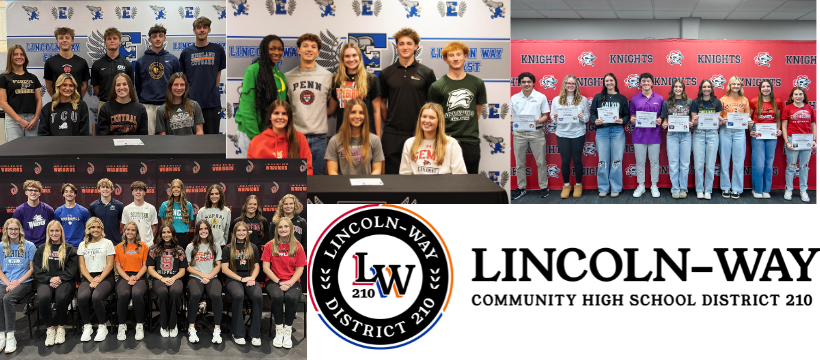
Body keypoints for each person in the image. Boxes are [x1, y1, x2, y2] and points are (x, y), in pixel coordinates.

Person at [379, 28, 436, 174]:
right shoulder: (386, 73)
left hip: (418, 133)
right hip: (392, 134)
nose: (405, 47)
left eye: (409, 43)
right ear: (396, 46)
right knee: (392, 179)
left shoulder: (427, 73)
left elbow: (433, 107)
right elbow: (381, 103)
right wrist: (391, 120)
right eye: (401, 44)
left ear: (416, 46)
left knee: (417, 178)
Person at [427, 41, 487, 174]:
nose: (455, 58)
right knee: (445, 183)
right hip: (445, 141)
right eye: (451, 55)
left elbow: (477, 111)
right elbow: (433, 115)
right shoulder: (436, 86)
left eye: (459, 54)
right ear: (445, 59)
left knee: (471, 183)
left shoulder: (477, 83)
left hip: (470, 141)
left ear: (465, 57)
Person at [286, 33, 333, 175]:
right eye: (305, 46)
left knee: (317, 183)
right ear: (298, 50)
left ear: (318, 52)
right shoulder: (287, 77)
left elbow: (331, 108)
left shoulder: (328, 76)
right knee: (293, 180)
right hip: (295, 137)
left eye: (313, 47)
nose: (309, 49)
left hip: (319, 139)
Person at [235, 35, 287, 155]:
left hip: (270, 134)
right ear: (264, 50)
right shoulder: (253, 70)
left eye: (280, 49)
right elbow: (247, 109)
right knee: (253, 172)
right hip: (252, 133)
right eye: (272, 49)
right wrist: (257, 138)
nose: (277, 52)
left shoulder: (280, 75)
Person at [262, 217, 306, 349]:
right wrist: (280, 281)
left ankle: (287, 330)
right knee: (278, 296)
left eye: (286, 227)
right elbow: (266, 268)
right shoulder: (270, 245)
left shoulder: (297, 246)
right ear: (276, 229)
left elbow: (300, 269)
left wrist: (290, 282)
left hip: (292, 281)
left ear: (291, 229)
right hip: (274, 281)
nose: (283, 229)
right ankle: (279, 329)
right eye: (280, 227)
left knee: (291, 297)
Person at [33, 221, 78, 347]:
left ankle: (61, 328)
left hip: (65, 281)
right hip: (46, 280)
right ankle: (50, 330)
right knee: (43, 297)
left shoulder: (69, 249)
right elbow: (37, 269)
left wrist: (59, 278)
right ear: (48, 233)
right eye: (51, 231)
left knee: (61, 297)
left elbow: (72, 270)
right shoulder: (41, 249)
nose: (54, 233)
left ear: (61, 232)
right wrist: (49, 279)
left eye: (57, 231)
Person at [179, 17, 226, 135]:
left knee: (211, 140)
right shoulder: (186, 52)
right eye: (198, 27)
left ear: (209, 30)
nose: (202, 30)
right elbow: (183, 78)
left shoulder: (218, 50)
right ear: (194, 30)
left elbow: (218, 75)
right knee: (192, 141)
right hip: (191, 103)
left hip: (212, 103)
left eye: (205, 27)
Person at [222, 221, 263, 346]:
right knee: (239, 296)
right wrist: (240, 279)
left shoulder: (253, 247)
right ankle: (238, 333)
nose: (241, 233)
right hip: (234, 278)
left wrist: (252, 278)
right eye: (238, 231)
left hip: (249, 277)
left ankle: (255, 334)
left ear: (247, 232)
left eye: (243, 230)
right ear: (234, 233)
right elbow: (224, 269)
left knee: (258, 297)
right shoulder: (228, 248)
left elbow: (257, 267)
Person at [135, 24, 182, 135]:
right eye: (154, 36)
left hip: (167, 104)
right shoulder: (141, 61)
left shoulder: (173, 60)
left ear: (164, 38)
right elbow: (138, 84)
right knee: (150, 138)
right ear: (150, 39)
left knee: (169, 138)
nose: (157, 39)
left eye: (160, 36)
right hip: (147, 105)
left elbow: (178, 83)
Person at [510, 72, 550, 200]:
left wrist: (539, 120)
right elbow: (511, 115)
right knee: (520, 163)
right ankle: (521, 187)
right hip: (519, 133)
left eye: (529, 82)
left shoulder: (541, 97)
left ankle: (544, 187)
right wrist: (511, 120)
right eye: (523, 82)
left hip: (536, 132)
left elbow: (545, 116)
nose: (526, 84)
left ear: (533, 83)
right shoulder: (514, 98)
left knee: (541, 162)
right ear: (520, 83)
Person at [246, 100, 314, 174]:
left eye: (284, 114)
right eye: (276, 113)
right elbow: (251, 172)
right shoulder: (256, 141)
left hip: (293, 184)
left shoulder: (300, 138)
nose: (280, 117)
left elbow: (307, 169)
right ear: (270, 116)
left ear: (289, 117)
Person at [0, 218, 36, 353]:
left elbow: (32, 269)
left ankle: (10, 336)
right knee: (0, 297)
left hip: (24, 283)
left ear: (20, 230)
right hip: (6, 282)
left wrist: (17, 282)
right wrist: (8, 283)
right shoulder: (1, 246)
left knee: (8, 299)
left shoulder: (29, 246)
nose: (13, 232)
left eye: (16, 229)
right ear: (6, 231)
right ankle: (1, 334)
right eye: (11, 229)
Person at [590, 73, 629, 198]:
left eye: (611, 80)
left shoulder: (622, 98)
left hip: (617, 131)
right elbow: (592, 113)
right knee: (602, 161)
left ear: (615, 82)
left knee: (617, 161)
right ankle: (603, 187)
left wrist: (623, 121)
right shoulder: (598, 97)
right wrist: (595, 121)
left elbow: (627, 115)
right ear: (604, 82)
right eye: (607, 81)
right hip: (602, 131)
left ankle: (616, 187)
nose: (609, 83)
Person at [329, 44, 382, 136]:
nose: (351, 59)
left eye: (354, 55)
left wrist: (378, 138)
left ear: (359, 57)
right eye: (347, 56)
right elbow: (330, 109)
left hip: (366, 134)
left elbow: (376, 111)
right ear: (342, 59)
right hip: (344, 134)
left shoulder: (371, 79)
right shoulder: (337, 80)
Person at [399, 103, 467, 175]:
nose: (427, 120)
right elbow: (405, 175)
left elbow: (460, 175)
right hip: (417, 185)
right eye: (424, 116)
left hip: (444, 185)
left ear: (439, 122)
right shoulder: (409, 143)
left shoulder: (451, 144)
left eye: (432, 118)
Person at [77, 217, 116, 342]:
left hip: (105, 276)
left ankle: (102, 325)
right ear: (88, 229)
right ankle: (87, 326)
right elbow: (82, 266)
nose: (96, 229)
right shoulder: (82, 244)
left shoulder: (108, 243)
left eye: (98, 227)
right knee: (82, 297)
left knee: (96, 297)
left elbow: (110, 265)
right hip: (89, 276)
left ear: (102, 229)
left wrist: (99, 279)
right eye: (93, 227)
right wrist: (91, 279)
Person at [551, 74, 590, 198]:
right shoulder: (556, 100)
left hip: (578, 133)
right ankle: (566, 185)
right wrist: (555, 117)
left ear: (576, 85)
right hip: (562, 134)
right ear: (564, 84)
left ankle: (578, 185)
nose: (571, 85)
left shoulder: (583, 100)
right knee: (565, 161)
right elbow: (552, 118)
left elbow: (587, 118)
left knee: (577, 160)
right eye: (568, 83)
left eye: (573, 83)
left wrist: (581, 117)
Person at [185, 220, 223, 344]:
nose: (203, 231)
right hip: (195, 277)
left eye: (205, 228)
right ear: (197, 231)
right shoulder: (191, 247)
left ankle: (217, 329)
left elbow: (218, 265)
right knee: (195, 295)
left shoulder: (215, 246)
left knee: (217, 296)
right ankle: (191, 327)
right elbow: (188, 267)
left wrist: (210, 276)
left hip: (212, 277)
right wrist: (202, 275)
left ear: (209, 230)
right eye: (200, 229)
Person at [147, 224, 187, 338]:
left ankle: (173, 324)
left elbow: (182, 270)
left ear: (173, 234)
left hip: (176, 278)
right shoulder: (153, 249)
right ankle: (163, 325)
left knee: (174, 292)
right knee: (163, 293)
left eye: (169, 232)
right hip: (159, 278)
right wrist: (162, 278)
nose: (166, 235)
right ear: (160, 234)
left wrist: (173, 278)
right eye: (164, 232)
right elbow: (150, 269)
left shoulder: (180, 250)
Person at [326, 99, 385, 175]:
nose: (357, 116)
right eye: (353, 112)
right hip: (343, 185)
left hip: (366, 185)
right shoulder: (334, 141)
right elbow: (332, 172)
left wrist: (367, 185)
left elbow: (377, 170)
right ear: (347, 115)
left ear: (365, 116)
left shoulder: (375, 140)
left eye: (361, 113)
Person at [629, 73, 664, 198]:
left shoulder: (659, 98)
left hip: (654, 135)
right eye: (643, 81)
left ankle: (654, 185)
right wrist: (633, 119)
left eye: (648, 81)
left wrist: (660, 119)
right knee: (640, 162)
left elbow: (662, 116)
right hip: (639, 136)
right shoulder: (634, 99)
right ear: (640, 83)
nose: (646, 83)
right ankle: (641, 185)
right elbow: (632, 115)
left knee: (654, 161)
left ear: (652, 83)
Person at [781, 86, 816, 202]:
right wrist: (787, 142)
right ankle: (789, 189)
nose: (798, 96)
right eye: (795, 94)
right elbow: (784, 126)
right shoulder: (787, 108)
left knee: (804, 167)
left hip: (806, 141)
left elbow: (813, 125)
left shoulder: (809, 108)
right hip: (792, 140)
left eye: (800, 94)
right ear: (792, 96)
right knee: (791, 166)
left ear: (804, 96)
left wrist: (814, 140)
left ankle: (803, 190)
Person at [114, 221, 148, 341]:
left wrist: (136, 277)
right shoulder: (118, 247)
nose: (130, 232)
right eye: (128, 229)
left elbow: (145, 266)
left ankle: (139, 324)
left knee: (137, 294)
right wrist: (128, 278)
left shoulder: (143, 246)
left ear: (136, 232)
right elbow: (118, 267)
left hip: (140, 275)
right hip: (125, 276)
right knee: (123, 294)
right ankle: (121, 325)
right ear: (124, 231)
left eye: (133, 230)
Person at [749, 79, 784, 199]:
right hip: (758, 134)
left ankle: (766, 189)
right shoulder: (754, 101)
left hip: (771, 134)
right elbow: (749, 119)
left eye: (768, 86)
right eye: (763, 86)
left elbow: (778, 119)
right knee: (758, 163)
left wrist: (779, 130)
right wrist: (750, 130)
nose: (765, 89)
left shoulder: (777, 102)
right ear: (760, 88)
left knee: (769, 163)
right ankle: (757, 189)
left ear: (771, 88)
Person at [0, 44, 42, 143]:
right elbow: (2, 102)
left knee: (33, 150)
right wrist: (20, 120)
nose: (19, 57)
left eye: (21, 54)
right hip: (14, 120)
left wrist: (36, 118)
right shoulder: (4, 77)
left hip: (32, 120)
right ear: (10, 57)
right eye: (15, 54)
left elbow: (39, 100)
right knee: (15, 151)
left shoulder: (33, 77)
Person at [690, 79, 724, 200]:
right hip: (698, 134)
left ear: (711, 88)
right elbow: (694, 123)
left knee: (710, 165)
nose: (706, 89)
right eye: (704, 87)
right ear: (701, 88)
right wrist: (694, 121)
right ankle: (699, 189)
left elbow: (718, 123)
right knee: (699, 164)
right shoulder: (695, 102)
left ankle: (708, 190)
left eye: (708, 87)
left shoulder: (717, 102)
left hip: (712, 134)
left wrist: (720, 122)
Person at [660, 79, 693, 199]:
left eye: (680, 87)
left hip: (686, 135)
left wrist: (691, 123)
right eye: (676, 87)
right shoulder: (667, 103)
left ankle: (683, 188)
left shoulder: (689, 102)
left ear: (683, 88)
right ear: (672, 88)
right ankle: (675, 188)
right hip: (672, 135)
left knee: (684, 164)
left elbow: (692, 120)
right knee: (673, 163)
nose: (678, 89)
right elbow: (665, 121)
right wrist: (664, 124)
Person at [719, 76, 751, 199]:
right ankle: (725, 187)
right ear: (729, 85)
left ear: (740, 86)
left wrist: (750, 122)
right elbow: (719, 118)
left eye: (738, 84)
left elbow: (747, 117)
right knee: (725, 160)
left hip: (739, 132)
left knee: (738, 161)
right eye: (734, 84)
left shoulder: (744, 100)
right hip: (725, 131)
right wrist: (722, 120)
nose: (736, 86)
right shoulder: (723, 99)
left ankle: (737, 188)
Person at [91, 27, 135, 116]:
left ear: (120, 42)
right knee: (104, 130)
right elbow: (96, 87)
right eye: (109, 39)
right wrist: (104, 99)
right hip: (104, 104)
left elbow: (131, 87)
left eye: (115, 38)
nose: (112, 41)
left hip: (124, 104)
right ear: (105, 42)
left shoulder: (127, 65)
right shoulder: (97, 65)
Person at [43, 27, 89, 98]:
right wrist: (58, 99)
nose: (64, 40)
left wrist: (76, 99)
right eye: (61, 38)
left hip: (77, 105)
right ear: (57, 41)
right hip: (58, 105)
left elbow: (85, 85)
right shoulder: (50, 62)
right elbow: (49, 86)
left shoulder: (82, 62)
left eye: (67, 38)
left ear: (72, 41)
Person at [12, 180, 54, 247]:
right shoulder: (19, 211)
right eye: (30, 190)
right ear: (26, 192)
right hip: (26, 247)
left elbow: (53, 229)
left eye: (36, 190)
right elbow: (15, 231)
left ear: (40, 193)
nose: (33, 192)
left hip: (44, 247)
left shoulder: (48, 210)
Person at [158, 179, 194, 249]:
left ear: (182, 190)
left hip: (182, 237)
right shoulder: (165, 205)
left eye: (178, 187)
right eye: (173, 187)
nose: (176, 189)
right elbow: (163, 222)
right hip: (168, 237)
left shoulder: (188, 205)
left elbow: (189, 222)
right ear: (171, 190)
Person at [121, 181, 158, 247]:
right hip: (132, 244)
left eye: (140, 190)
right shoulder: (127, 209)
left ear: (144, 193)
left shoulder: (151, 208)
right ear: (132, 193)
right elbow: (124, 227)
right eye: (136, 190)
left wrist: (150, 240)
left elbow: (154, 227)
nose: (138, 192)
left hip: (148, 245)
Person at [88, 178, 124, 245]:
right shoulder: (93, 206)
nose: (105, 189)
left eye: (107, 187)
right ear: (99, 190)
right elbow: (92, 225)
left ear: (112, 190)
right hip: (98, 242)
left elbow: (121, 225)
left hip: (115, 242)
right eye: (103, 187)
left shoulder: (119, 205)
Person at [54, 183, 90, 247]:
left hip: (80, 246)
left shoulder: (83, 211)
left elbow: (88, 229)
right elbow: (56, 230)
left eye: (71, 192)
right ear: (63, 194)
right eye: (66, 192)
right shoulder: (58, 211)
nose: (69, 194)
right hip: (64, 246)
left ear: (75, 194)